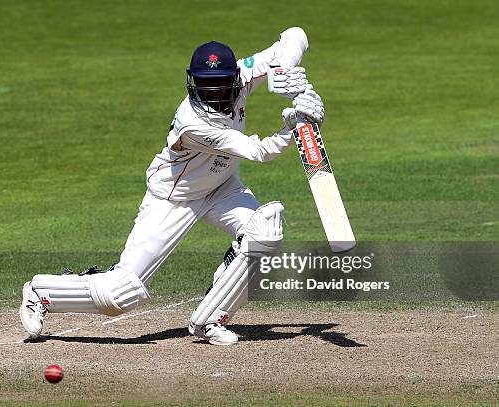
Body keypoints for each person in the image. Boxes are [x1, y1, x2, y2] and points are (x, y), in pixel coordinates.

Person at [20, 27, 325, 345]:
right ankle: (42, 292)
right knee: (120, 294)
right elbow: (258, 152)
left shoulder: (243, 73)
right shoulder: (191, 122)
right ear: (194, 82)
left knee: (265, 230)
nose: (213, 94)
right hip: (172, 199)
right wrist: (296, 124)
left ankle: (210, 321)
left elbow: (295, 36)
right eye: (205, 86)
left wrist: (285, 72)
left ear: (234, 79)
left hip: (222, 188)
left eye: (220, 86)